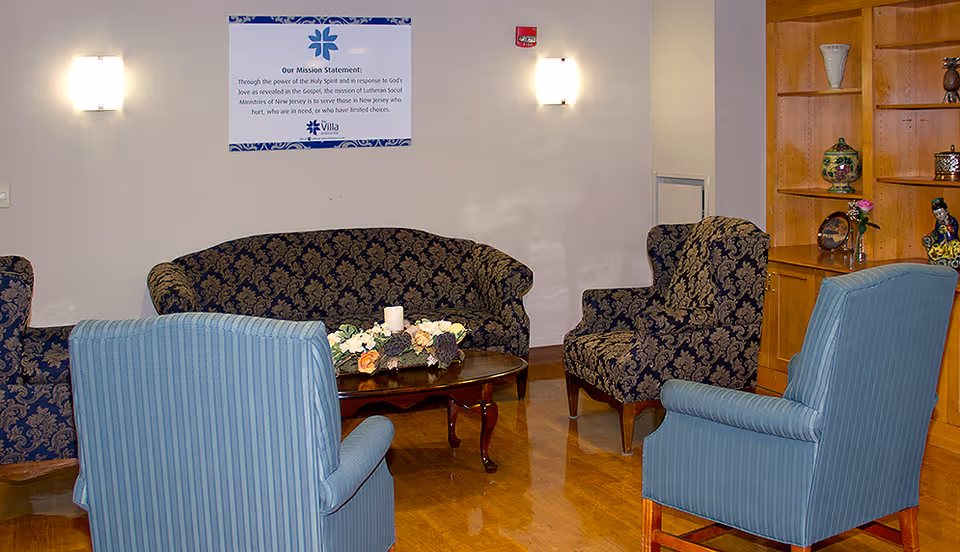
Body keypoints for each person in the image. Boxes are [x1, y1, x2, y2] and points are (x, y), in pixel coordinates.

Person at [926, 197, 960, 262]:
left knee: (956, 246)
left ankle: (956, 260)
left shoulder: (952, 220)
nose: (939, 216)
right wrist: (932, 234)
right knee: (935, 249)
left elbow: (955, 229)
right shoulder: (938, 223)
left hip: (951, 241)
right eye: (936, 214)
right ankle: (940, 260)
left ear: (946, 210)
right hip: (942, 243)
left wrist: (948, 227)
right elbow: (936, 231)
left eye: (941, 213)